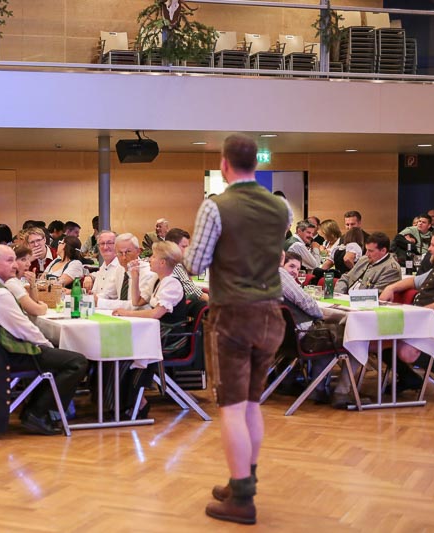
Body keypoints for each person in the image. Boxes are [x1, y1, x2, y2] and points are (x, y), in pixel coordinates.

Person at [184, 134, 289, 525]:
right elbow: (276, 254)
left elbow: (195, 265)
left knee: (231, 407)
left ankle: (242, 498)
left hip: (233, 314)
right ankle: (242, 479)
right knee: (252, 404)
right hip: (272, 312)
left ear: (224, 165)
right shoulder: (280, 207)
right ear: (256, 164)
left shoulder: (215, 206)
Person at [0, 245, 87, 435]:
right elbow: (23, 329)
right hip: (5, 355)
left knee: (60, 356)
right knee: (77, 362)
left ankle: (36, 409)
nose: (15, 265)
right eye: (10, 260)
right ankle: (37, 412)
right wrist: (48, 347)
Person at [113, 241, 190, 417]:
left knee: (127, 350)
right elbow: (137, 302)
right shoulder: (158, 280)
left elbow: (156, 314)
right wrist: (135, 276)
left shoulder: (172, 284)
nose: (149, 259)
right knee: (120, 347)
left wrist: (126, 313)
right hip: (157, 333)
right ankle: (127, 401)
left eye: (154, 257)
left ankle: (138, 402)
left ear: (162, 262)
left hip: (170, 338)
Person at [379, 228, 434, 398]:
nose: (429, 249)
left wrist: (423, 312)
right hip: (422, 316)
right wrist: (391, 287)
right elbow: (414, 281)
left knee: (406, 351)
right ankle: (409, 378)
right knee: (378, 336)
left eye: (433, 245)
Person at [279, 252, 329, 403]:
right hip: (297, 336)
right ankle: (319, 390)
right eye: (291, 266)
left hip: (275, 335)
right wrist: (321, 316)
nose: (295, 271)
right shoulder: (279, 274)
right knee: (341, 337)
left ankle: (285, 381)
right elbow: (306, 302)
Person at [96, 233, 156, 310]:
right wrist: (91, 298)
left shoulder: (147, 272)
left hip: (139, 315)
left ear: (138, 251)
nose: (124, 257)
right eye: (120, 253)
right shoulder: (120, 269)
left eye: (128, 252)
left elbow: (135, 305)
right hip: (121, 315)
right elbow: (108, 294)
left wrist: (100, 302)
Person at [334, 232, 401, 294]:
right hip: (345, 297)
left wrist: (349, 298)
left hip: (362, 301)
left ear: (383, 250)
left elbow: (374, 295)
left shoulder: (391, 269)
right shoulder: (364, 259)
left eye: (370, 251)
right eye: (367, 250)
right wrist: (338, 294)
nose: (367, 254)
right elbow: (346, 278)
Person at [165, 227, 207, 302]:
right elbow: (192, 290)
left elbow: (190, 285)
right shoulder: (173, 264)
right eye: (184, 246)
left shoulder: (178, 262)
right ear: (172, 247)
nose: (188, 250)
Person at [6, 245, 48, 316]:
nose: (29, 264)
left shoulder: (17, 281)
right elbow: (36, 310)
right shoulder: (11, 283)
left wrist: (32, 284)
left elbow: (34, 302)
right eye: (23, 260)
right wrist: (45, 307)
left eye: (29, 259)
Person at [83, 230, 122, 300]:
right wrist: (89, 276)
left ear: (117, 245)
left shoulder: (122, 267)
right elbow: (93, 293)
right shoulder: (103, 267)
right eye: (102, 243)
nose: (105, 247)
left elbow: (110, 297)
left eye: (109, 243)